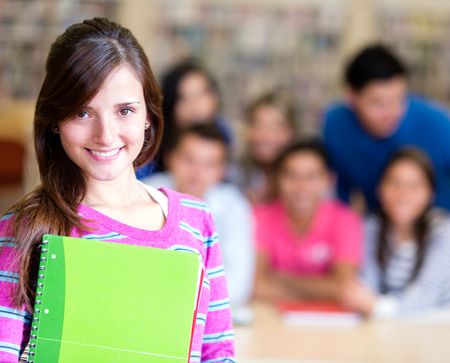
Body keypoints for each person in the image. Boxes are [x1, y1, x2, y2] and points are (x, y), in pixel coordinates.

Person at [0, 18, 234, 363]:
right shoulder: (24, 229)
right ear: (54, 121)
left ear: (148, 116)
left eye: (124, 110)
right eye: (82, 112)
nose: (105, 135)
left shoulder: (196, 221)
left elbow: (218, 352)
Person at [322, 44, 450, 213]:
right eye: (378, 103)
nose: (391, 112)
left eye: (399, 99)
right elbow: (339, 192)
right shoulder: (336, 125)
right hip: (380, 225)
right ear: (351, 96)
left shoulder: (438, 125)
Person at [142, 124, 255, 310]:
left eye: (209, 164)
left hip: (208, 314)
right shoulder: (143, 193)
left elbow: (239, 283)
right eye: (189, 160)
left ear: (222, 170)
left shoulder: (234, 206)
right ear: (171, 158)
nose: (197, 172)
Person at [342, 148, 450, 318]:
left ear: (431, 194)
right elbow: (368, 285)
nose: (403, 194)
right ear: (380, 189)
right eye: (394, 183)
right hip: (389, 327)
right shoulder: (370, 227)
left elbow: (427, 295)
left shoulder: (443, 231)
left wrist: (378, 306)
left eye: (414, 186)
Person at [253, 139, 362, 303]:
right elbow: (255, 285)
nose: (301, 187)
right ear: (277, 179)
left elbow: (345, 287)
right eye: (291, 176)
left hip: (330, 323)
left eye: (311, 177)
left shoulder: (345, 220)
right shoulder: (260, 217)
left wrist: (280, 279)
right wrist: (321, 289)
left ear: (328, 180)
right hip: (271, 318)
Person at [144, 60, 232, 174]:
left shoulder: (224, 131)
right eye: (183, 98)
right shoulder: (150, 149)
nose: (195, 105)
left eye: (201, 93)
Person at [231, 92, 298, 204]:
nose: (265, 134)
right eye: (258, 125)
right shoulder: (234, 172)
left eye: (276, 127)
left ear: (291, 132)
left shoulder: (306, 173)